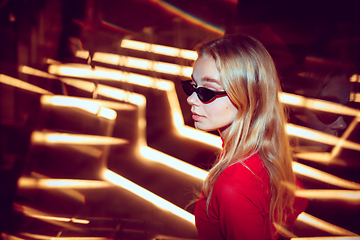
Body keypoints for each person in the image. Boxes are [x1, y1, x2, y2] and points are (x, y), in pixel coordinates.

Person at [181, 34, 307, 239]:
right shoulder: (264, 149)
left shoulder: (233, 186)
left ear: (248, 95)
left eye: (206, 91)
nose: (191, 99)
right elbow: (296, 196)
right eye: (192, 86)